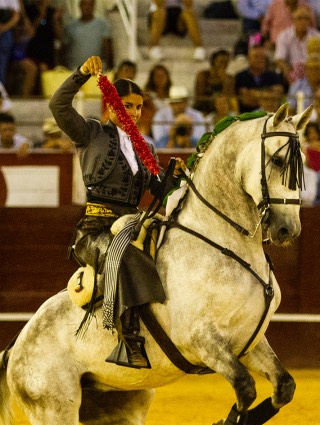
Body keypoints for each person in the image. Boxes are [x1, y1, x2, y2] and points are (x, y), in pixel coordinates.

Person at [49, 54, 172, 369]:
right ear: (112, 105)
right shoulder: (91, 133)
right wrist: (80, 74)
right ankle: (129, 338)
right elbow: (58, 106)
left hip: (131, 225)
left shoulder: (145, 148)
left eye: (139, 107)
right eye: (127, 105)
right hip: (95, 230)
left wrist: (179, 177)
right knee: (126, 255)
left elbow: (162, 190)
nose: (134, 112)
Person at [273, 6, 320, 81]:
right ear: (293, 20)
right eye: (299, 18)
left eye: (306, 18)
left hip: (313, 71)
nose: (303, 21)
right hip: (292, 71)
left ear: (310, 21)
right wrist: (288, 74)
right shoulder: (284, 36)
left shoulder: (318, 36)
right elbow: (279, 59)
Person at [234, 43, 286, 113]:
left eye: (262, 57)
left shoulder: (274, 76)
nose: (260, 60)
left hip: (270, 114)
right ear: (249, 59)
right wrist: (268, 94)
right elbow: (246, 99)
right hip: (248, 115)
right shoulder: (241, 76)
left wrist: (253, 93)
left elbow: (277, 95)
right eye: (256, 57)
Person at [61, 0, 112, 72]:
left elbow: (107, 47)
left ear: (94, 6)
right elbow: (63, 49)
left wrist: (107, 66)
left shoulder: (102, 24)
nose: (87, 7)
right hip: (73, 70)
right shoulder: (70, 26)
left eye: (90, 5)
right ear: (80, 6)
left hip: (95, 71)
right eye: (84, 4)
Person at [193, 49, 234, 114]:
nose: (224, 65)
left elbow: (228, 98)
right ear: (213, 62)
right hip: (203, 108)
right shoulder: (203, 75)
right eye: (221, 62)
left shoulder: (229, 78)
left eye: (226, 62)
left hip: (221, 110)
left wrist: (225, 82)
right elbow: (199, 97)